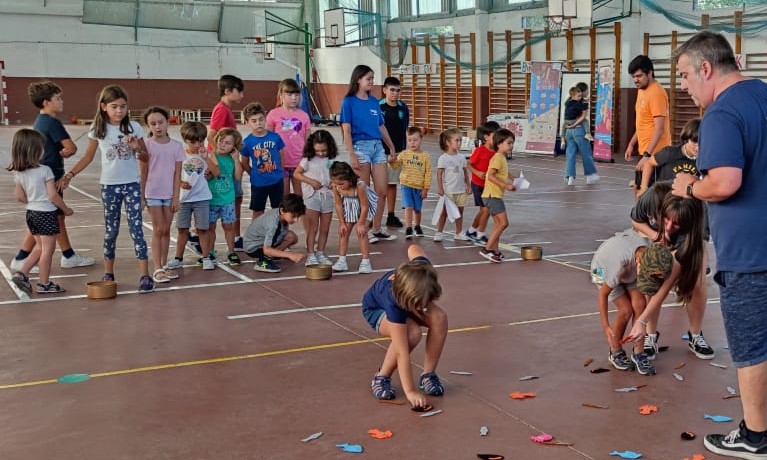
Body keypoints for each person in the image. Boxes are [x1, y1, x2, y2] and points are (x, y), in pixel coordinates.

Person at [670, 31, 767, 458]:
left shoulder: (722, 112)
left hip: (749, 253)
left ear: (706, 68)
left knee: (752, 346)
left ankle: (756, 435)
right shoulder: (763, 95)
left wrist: (690, 187)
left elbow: (725, 183)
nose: (684, 86)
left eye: (685, 75)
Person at [65, 85, 154, 293]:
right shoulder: (98, 129)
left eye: (123, 106)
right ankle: (108, 273)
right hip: (109, 186)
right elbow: (88, 156)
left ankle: (145, 275)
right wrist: (70, 174)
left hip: (131, 185)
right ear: (104, 106)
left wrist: (137, 149)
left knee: (136, 230)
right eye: (114, 106)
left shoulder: (133, 127)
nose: (119, 111)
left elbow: (145, 157)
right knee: (111, 230)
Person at [10, 81, 94, 273]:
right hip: (50, 178)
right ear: (47, 102)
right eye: (58, 98)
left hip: (41, 177)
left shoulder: (40, 121)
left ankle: (66, 255)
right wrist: (67, 151)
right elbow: (71, 147)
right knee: (51, 218)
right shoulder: (52, 122)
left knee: (52, 218)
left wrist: (59, 151)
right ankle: (24, 258)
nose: (61, 101)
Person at [628, 182, 711, 362]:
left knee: (697, 283)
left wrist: (641, 320)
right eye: (666, 220)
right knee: (652, 276)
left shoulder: (694, 227)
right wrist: (657, 236)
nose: (669, 227)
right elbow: (635, 220)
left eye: (676, 224)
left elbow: (666, 285)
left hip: (692, 242)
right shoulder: (652, 197)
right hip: (655, 236)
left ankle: (695, 335)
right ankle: (650, 335)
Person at [362, 243, 448, 408]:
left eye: (423, 304)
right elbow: (401, 353)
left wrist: (419, 306)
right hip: (376, 309)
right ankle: (381, 377)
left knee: (439, 318)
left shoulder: (423, 270)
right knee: (412, 333)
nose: (421, 309)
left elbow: (413, 248)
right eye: (418, 305)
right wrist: (410, 391)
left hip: (406, 298)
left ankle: (428, 375)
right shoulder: (392, 303)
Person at [591, 231, 674, 376]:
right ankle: (615, 351)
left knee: (640, 304)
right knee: (626, 310)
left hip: (629, 267)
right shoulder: (618, 266)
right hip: (601, 269)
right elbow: (603, 294)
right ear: (639, 262)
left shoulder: (652, 251)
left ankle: (638, 353)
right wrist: (606, 326)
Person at [7, 129, 73, 294]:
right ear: (34, 150)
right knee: (47, 251)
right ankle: (44, 284)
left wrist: (34, 201)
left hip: (31, 214)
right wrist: (66, 209)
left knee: (40, 247)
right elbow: (53, 195)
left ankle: (22, 274)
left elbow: (20, 196)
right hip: (46, 214)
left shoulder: (19, 172)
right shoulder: (45, 170)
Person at [340, 64, 398, 243]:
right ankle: (363, 228)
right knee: (363, 191)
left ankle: (376, 229)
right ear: (358, 79)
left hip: (377, 148)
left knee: (381, 191)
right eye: (368, 78)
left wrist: (391, 146)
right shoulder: (348, 102)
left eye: (373, 78)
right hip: (360, 147)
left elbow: (381, 126)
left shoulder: (373, 101)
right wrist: (352, 154)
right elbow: (346, 130)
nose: (372, 81)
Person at [139, 106, 184, 283]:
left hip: (169, 194)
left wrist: (176, 197)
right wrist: (142, 196)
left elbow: (177, 174)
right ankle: (157, 268)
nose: (157, 126)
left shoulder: (176, 146)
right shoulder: (147, 146)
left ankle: (164, 265)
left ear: (167, 122)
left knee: (166, 230)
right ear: (148, 126)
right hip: (153, 193)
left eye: (160, 122)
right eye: (153, 124)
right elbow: (143, 172)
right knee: (158, 229)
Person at [167, 121, 219, 271]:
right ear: (185, 140)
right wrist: (181, 182)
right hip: (184, 199)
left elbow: (217, 173)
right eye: (193, 142)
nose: (197, 144)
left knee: (203, 229)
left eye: (200, 141)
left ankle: (206, 257)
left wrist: (206, 159)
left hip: (201, 198)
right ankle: (178, 258)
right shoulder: (180, 155)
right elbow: (172, 174)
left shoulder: (207, 154)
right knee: (182, 229)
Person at [206, 75, 245, 251]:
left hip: (228, 162)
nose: (242, 95)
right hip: (222, 166)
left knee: (235, 199)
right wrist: (218, 158)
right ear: (228, 91)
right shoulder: (222, 110)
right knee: (230, 199)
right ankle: (231, 238)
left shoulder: (226, 109)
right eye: (239, 91)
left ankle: (235, 237)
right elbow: (211, 135)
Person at [294, 130, 338, 266]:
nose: (321, 153)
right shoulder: (307, 160)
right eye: (318, 150)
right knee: (313, 228)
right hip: (311, 196)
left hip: (327, 196)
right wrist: (311, 182)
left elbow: (335, 174)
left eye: (324, 150)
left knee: (325, 229)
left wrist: (333, 182)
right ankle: (311, 254)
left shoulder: (332, 159)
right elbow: (297, 174)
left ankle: (320, 252)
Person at [624, 55, 672, 177]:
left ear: (650, 73)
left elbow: (659, 129)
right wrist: (631, 144)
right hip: (645, 151)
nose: (635, 80)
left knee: (649, 189)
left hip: (656, 154)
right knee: (639, 186)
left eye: (639, 76)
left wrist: (647, 155)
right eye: (633, 77)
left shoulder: (657, 93)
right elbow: (643, 123)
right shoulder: (641, 90)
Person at [240, 102, 286, 220]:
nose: (258, 123)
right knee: (258, 211)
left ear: (265, 119)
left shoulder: (275, 137)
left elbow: (282, 156)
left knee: (279, 210)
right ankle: (256, 231)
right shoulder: (247, 142)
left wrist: (280, 171)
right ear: (247, 122)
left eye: (261, 119)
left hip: (276, 180)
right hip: (258, 183)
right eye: (254, 121)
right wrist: (253, 173)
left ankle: (280, 230)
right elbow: (244, 163)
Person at [330, 161, 377, 274]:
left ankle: (365, 261)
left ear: (349, 179)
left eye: (342, 183)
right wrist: (342, 223)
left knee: (361, 232)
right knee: (344, 231)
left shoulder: (360, 187)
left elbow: (365, 206)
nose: (339, 186)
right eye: (336, 183)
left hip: (364, 207)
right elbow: (338, 205)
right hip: (348, 205)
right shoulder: (336, 187)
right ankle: (342, 260)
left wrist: (361, 223)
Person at [266, 78, 310, 197]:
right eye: (289, 94)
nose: (294, 98)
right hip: (281, 164)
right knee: (284, 198)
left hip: (299, 164)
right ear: (281, 95)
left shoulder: (304, 116)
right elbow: (267, 139)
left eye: (296, 94)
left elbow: (308, 140)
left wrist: (307, 159)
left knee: (299, 197)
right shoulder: (273, 114)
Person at [207, 128, 243, 267]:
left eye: (228, 143)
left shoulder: (232, 159)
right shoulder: (210, 156)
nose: (222, 145)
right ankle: (210, 251)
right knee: (210, 227)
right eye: (221, 141)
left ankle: (231, 251)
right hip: (211, 199)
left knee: (228, 226)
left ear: (234, 146)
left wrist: (236, 160)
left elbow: (238, 177)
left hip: (227, 199)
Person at [479, 128, 517, 263]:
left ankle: (495, 250)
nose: (511, 146)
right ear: (499, 144)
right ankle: (487, 248)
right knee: (503, 223)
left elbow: (503, 172)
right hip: (492, 195)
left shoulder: (502, 158)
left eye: (512, 143)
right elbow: (490, 176)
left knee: (497, 224)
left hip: (494, 195)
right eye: (509, 143)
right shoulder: (498, 158)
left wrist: (513, 178)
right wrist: (506, 185)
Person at [243, 193, 306, 273]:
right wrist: (290, 255)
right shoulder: (273, 224)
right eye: (293, 216)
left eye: (298, 216)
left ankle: (274, 255)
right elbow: (266, 250)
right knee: (288, 238)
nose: (296, 220)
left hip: (259, 242)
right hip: (253, 248)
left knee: (292, 237)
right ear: (282, 210)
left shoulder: (281, 214)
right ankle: (264, 261)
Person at [637, 118, 700, 194]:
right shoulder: (669, 152)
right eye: (694, 142)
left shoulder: (704, 158)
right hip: (664, 195)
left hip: (686, 197)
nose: (697, 148)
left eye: (701, 143)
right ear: (686, 139)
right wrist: (644, 188)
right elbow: (649, 163)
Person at [379, 76, 409, 228]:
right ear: (384, 90)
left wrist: (401, 151)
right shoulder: (378, 107)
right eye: (392, 90)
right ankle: (373, 216)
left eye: (398, 91)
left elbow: (404, 129)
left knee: (392, 184)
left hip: (397, 153)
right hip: (380, 153)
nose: (395, 93)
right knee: (379, 186)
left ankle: (390, 215)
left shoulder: (403, 107)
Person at [465, 121, 500, 247]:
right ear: (486, 137)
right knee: (486, 210)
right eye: (495, 136)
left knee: (484, 211)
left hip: (489, 186)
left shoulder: (497, 152)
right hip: (478, 185)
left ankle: (471, 231)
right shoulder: (480, 151)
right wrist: (478, 173)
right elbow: (469, 164)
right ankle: (480, 235)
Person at [394, 127, 432, 240]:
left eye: (415, 140)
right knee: (408, 206)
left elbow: (428, 173)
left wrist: (425, 188)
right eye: (409, 140)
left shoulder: (425, 156)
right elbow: (395, 166)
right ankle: (409, 228)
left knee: (417, 209)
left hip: (419, 186)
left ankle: (417, 226)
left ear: (421, 140)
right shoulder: (404, 154)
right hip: (406, 185)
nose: (412, 143)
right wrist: (391, 161)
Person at [434, 127, 471, 242]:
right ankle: (439, 232)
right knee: (444, 212)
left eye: (460, 140)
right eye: (457, 140)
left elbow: (465, 172)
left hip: (460, 190)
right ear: (448, 142)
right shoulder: (443, 158)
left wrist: (468, 185)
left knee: (459, 212)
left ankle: (458, 232)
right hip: (449, 191)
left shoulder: (461, 157)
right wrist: (440, 188)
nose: (459, 143)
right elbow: (439, 174)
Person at [562, 86, 600, 186]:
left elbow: (579, 103)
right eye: (579, 96)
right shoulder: (581, 105)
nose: (580, 97)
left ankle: (570, 177)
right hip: (578, 130)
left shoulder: (567, 102)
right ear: (574, 95)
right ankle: (590, 175)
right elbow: (583, 116)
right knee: (586, 152)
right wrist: (586, 103)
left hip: (568, 131)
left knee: (570, 154)